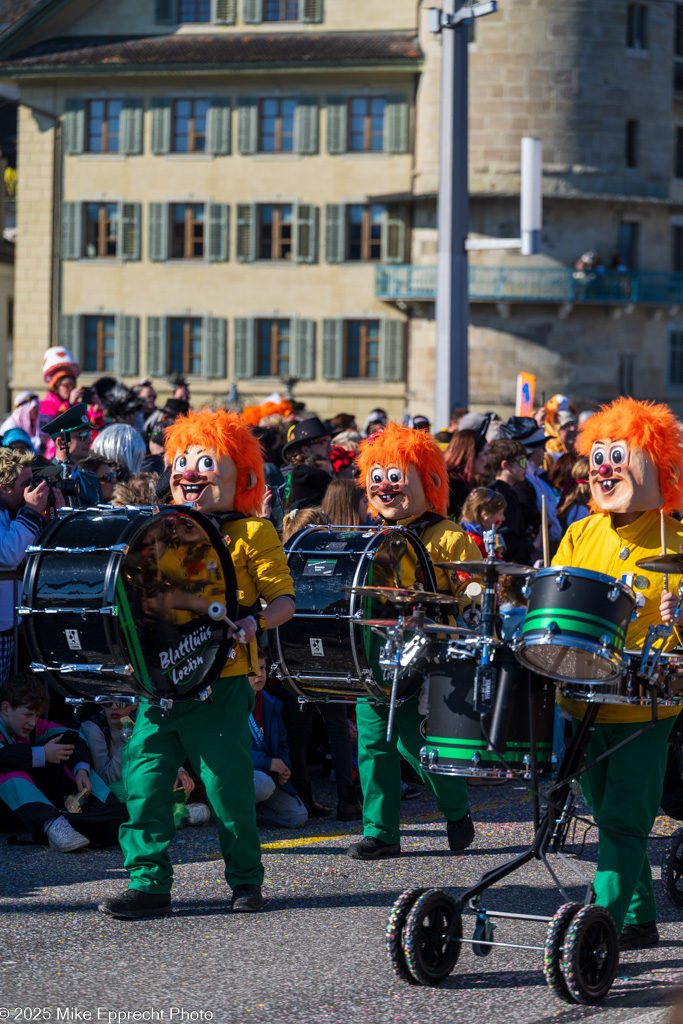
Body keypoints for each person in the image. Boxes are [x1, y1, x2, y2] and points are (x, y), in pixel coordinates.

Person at [99, 408, 296, 920]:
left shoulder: (254, 532)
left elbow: (284, 601)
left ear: (240, 478)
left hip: (221, 682)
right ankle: (148, 884)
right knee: (143, 783)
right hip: (160, 686)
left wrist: (255, 621)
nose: (189, 472)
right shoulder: (155, 530)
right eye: (182, 461)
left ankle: (246, 882)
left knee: (229, 790)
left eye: (205, 463)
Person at [553, 396, 683, 950]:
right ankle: (638, 918)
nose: (605, 469)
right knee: (604, 808)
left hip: (648, 697)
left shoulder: (676, 541)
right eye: (599, 457)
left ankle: (598, 924)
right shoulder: (581, 532)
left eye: (619, 456)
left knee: (626, 813)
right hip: (582, 695)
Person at [347, 423, 482, 860]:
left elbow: (476, 593)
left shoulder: (448, 535)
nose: (385, 486)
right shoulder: (369, 536)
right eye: (377, 475)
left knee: (417, 745)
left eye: (397, 475)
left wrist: (461, 605)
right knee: (373, 745)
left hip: (426, 658)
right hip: (373, 657)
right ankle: (381, 833)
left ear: (428, 481)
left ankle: (455, 809)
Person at [0, 672, 92, 851]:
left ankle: (95, 810)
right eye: (27, 714)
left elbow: (75, 737)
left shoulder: (31, 727)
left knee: (63, 746)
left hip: (14, 812)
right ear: (5, 708)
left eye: (37, 715)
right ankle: (51, 823)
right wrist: (42, 754)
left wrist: (82, 770)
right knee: (8, 767)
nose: (33, 722)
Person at [80, 702, 210, 828]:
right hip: (112, 792)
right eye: (107, 702)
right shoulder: (93, 727)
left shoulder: (140, 720)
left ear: (135, 704)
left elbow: (160, 750)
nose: (114, 707)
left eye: (122, 702)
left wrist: (179, 771)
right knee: (139, 788)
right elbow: (107, 779)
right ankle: (179, 814)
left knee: (175, 783)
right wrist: (126, 745)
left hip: (138, 780)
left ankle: (164, 811)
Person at [0, 449, 60, 680]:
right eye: (26, 483)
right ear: (4, 487)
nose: (32, 489)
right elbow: (9, 554)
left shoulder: (10, 511)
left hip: (9, 627)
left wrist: (54, 516)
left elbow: (30, 555)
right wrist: (32, 511)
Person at [248, 649, 308, 829]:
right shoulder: (230, 706)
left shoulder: (270, 703)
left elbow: (282, 743)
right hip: (241, 774)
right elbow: (229, 751)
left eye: (263, 668)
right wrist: (267, 763)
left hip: (265, 776)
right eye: (253, 670)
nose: (260, 674)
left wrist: (284, 767)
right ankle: (230, 810)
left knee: (298, 816)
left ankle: (255, 807)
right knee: (263, 784)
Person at [42, 404, 103, 507]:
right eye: (82, 436)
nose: (89, 441)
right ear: (61, 442)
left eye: (89, 434)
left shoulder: (91, 479)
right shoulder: (48, 480)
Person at [488, 438, 534, 565]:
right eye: (522, 462)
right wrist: (533, 545)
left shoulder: (507, 491)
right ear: (506, 465)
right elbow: (506, 541)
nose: (526, 466)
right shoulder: (500, 494)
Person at [39, 346, 105, 432]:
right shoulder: (44, 405)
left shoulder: (77, 406)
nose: (70, 388)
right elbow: (53, 427)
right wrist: (69, 405)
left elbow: (93, 426)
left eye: (72, 385)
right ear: (55, 387)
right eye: (66, 385)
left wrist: (96, 411)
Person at [444, 427, 489, 519]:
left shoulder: (469, 481)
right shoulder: (451, 484)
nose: (488, 459)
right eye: (484, 454)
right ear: (471, 455)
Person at [459, 487, 506, 557]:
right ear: (484, 514)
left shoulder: (463, 535)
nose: (503, 518)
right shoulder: (479, 544)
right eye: (500, 514)